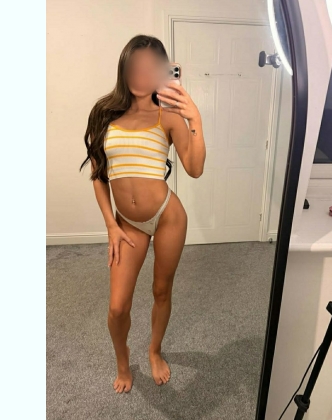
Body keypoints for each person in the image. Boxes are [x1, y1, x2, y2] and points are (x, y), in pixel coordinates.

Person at [79, 34, 206, 393]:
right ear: (124, 67)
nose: (143, 73)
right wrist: (111, 225)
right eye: (137, 65)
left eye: (152, 67)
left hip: (167, 217)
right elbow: (98, 175)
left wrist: (194, 117)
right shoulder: (104, 113)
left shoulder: (169, 115)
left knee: (161, 290)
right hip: (127, 224)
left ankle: (154, 350)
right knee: (118, 307)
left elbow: (195, 168)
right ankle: (123, 362)